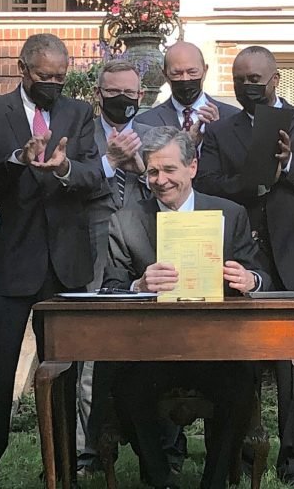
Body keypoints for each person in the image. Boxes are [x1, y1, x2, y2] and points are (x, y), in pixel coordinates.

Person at [0, 33, 107, 489]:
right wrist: (16, 161)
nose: (53, 85)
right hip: (9, 260)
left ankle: (62, 469)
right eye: (45, 77)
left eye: (61, 78)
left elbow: (93, 176)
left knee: (64, 369)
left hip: (65, 262)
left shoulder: (80, 113)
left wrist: (64, 169)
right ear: (22, 69)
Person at [194, 46, 294, 488]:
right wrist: (252, 181)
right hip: (242, 258)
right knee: (238, 364)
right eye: (240, 80)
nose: (247, 86)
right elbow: (206, 183)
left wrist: (289, 165)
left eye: (255, 79)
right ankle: (237, 459)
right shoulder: (221, 132)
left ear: (276, 79)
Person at [105, 125, 270, 489]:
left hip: (217, 350)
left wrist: (249, 280)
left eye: (169, 170)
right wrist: (139, 285)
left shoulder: (231, 214)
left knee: (241, 386)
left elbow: (263, 276)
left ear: (192, 167)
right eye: (152, 171)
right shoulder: (125, 220)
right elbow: (111, 288)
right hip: (150, 352)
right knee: (125, 387)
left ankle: (214, 483)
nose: (160, 180)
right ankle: (161, 480)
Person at [76, 60, 155, 473]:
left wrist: (141, 168)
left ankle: (158, 452)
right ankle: (86, 453)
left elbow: (170, 190)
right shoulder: (82, 133)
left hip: (145, 253)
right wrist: (108, 159)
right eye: (113, 93)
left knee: (154, 350)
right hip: (92, 251)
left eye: (130, 93)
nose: (122, 99)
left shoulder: (153, 133)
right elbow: (70, 186)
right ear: (99, 94)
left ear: (140, 95)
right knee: (91, 354)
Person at [134, 41, 239, 147]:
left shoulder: (232, 117)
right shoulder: (145, 122)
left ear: (205, 71)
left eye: (192, 72)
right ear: (165, 75)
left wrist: (219, 132)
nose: (185, 79)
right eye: (177, 74)